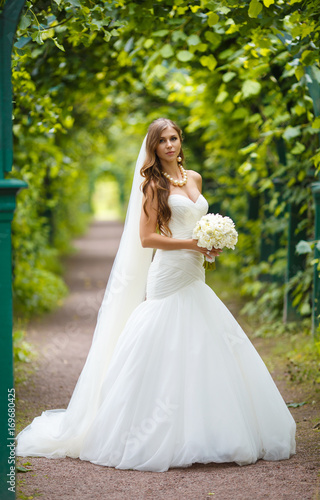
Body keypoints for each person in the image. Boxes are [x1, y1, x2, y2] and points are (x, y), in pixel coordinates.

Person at [16, 118, 296, 472]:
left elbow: (195, 224)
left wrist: (210, 245)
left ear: (181, 141)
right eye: (161, 140)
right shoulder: (152, 184)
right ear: (153, 147)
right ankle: (151, 431)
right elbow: (147, 238)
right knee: (165, 336)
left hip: (194, 269)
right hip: (167, 272)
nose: (169, 145)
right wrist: (191, 243)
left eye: (174, 138)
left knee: (203, 341)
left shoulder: (192, 178)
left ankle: (209, 428)